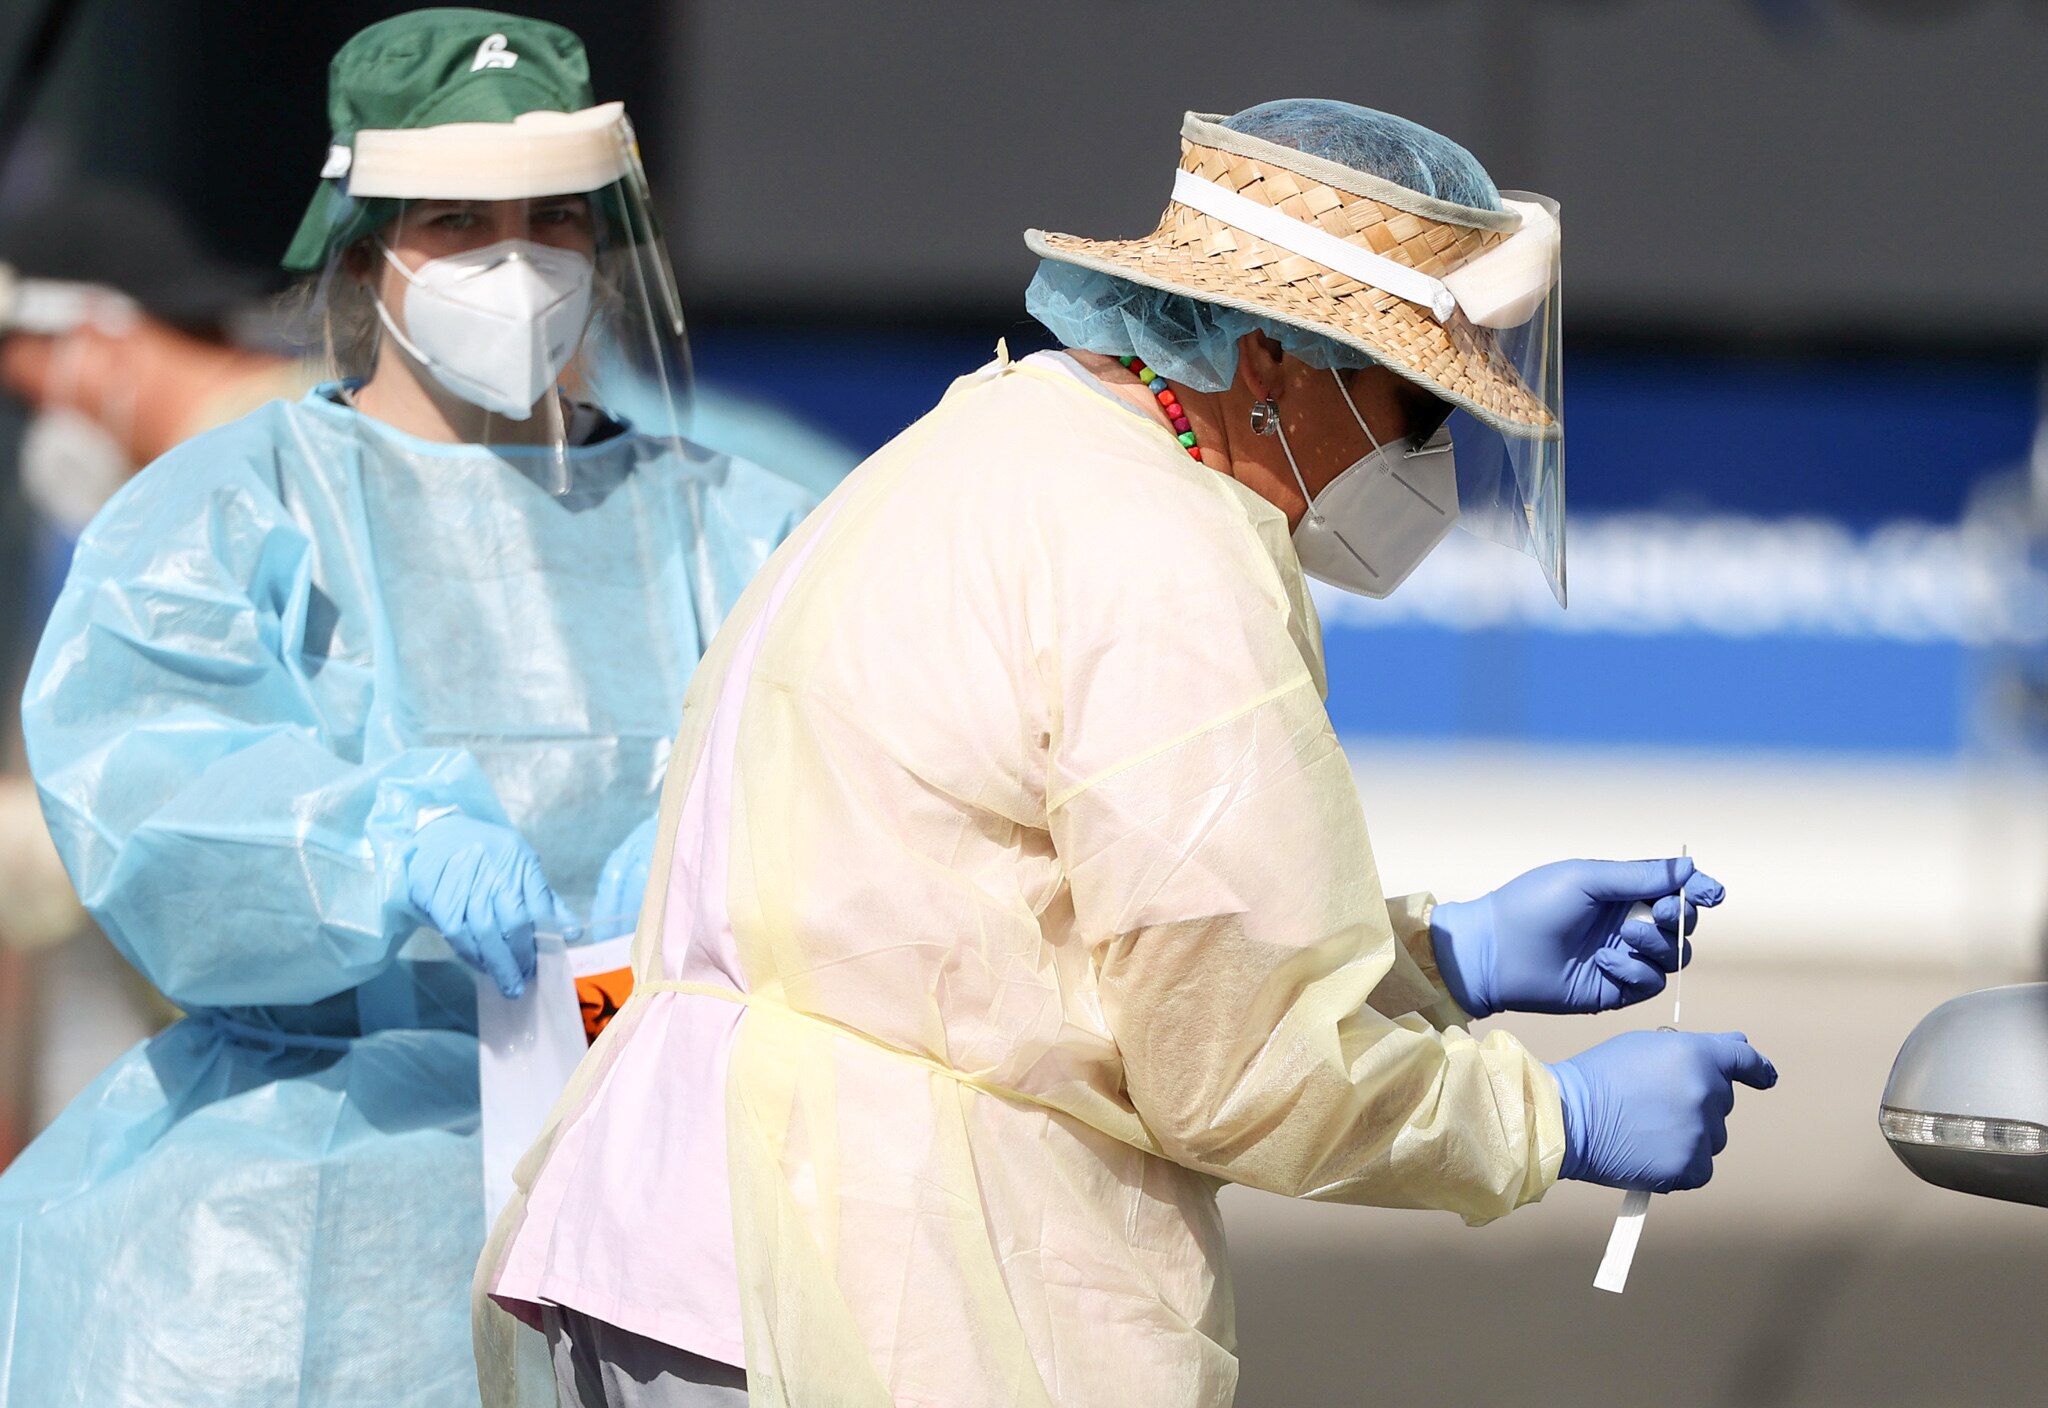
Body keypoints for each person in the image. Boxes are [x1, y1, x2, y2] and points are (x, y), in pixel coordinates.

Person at [479, 102, 1778, 1407]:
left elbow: (1038, 942)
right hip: (853, 1278)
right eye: (1414, 400)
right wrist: (1555, 1121)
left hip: (684, 1243)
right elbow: (1238, 1072)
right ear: (1269, 356)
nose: (1424, 452)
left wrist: (1443, 957)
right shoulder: (1165, 551)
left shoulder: (991, 443)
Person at [0, 11, 820, 1404]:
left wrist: (729, 851)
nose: (516, 261)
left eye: (554, 219)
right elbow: (147, 789)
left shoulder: (741, 527)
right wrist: (373, 843)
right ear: (366, 246)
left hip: (663, 1204)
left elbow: (870, 781)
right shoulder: (229, 512)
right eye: (456, 222)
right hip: (295, 1235)